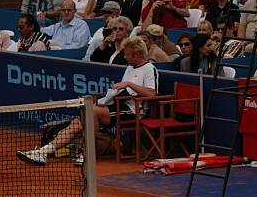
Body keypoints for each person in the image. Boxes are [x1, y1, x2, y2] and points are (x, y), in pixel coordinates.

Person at [17, 37, 158, 167]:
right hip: (117, 105)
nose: (125, 57)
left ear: (136, 54)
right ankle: (43, 152)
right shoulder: (129, 68)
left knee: (93, 111)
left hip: (133, 111)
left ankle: (87, 154)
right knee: (77, 122)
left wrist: (129, 84)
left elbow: (152, 94)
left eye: (127, 54)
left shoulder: (150, 69)